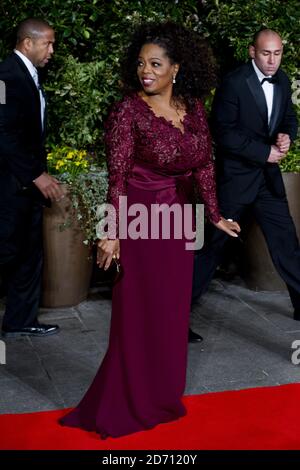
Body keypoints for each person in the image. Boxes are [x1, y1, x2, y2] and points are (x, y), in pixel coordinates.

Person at [60, 22, 239, 439]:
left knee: (170, 312)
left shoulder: (192, 106)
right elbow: (117, 177)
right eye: (141, 63)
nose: (146, 71)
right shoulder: (127, 112)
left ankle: (160, 395)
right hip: (141, 224)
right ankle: (128, 400)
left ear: (176, 68)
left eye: (155, 64)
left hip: (177, 224)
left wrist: (213, 213)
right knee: (137, 313)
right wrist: (111, 231)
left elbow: (204, 163)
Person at [191, 28, 299, 319]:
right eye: (266, 53)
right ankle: (175, 315)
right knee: (211, 247)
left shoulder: (283, 80)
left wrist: (287, 135)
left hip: (267, 181)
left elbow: (288, 116)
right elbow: (223, 132)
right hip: (235, 181)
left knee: (287, 244)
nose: (272, 60)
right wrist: (263, 152)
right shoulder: (234, 83)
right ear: (252, 51)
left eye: (277, 53)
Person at [0, 18, 64, 338]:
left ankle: (20, 319)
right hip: (10, 184)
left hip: (25, 187)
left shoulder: (28, 74)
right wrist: (36, 175)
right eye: (48, 43)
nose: (52, 50)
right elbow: (3, 133)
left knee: (28, 253)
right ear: (28, 43)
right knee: (7, 251)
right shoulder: (6, 75)